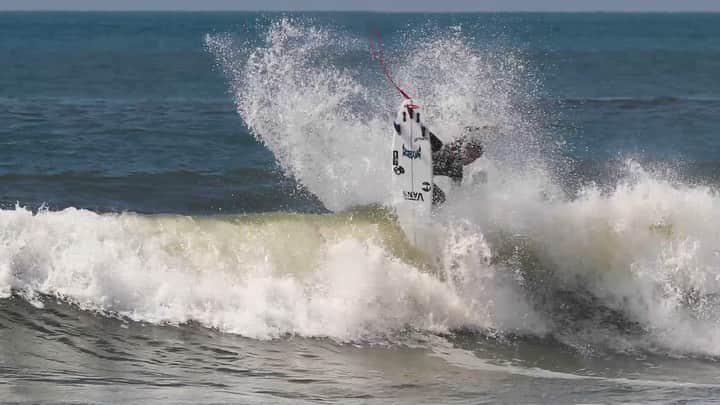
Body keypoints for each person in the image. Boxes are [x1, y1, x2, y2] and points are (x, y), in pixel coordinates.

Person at [429, 130, 484, 205]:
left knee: (440, 198)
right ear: (464, 150)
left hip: (422, 178)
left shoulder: (457, 171)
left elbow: (455, 193)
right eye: (470, 155)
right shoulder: (447, 151)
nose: (471, 160)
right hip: (417, 161)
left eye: (474, 158)